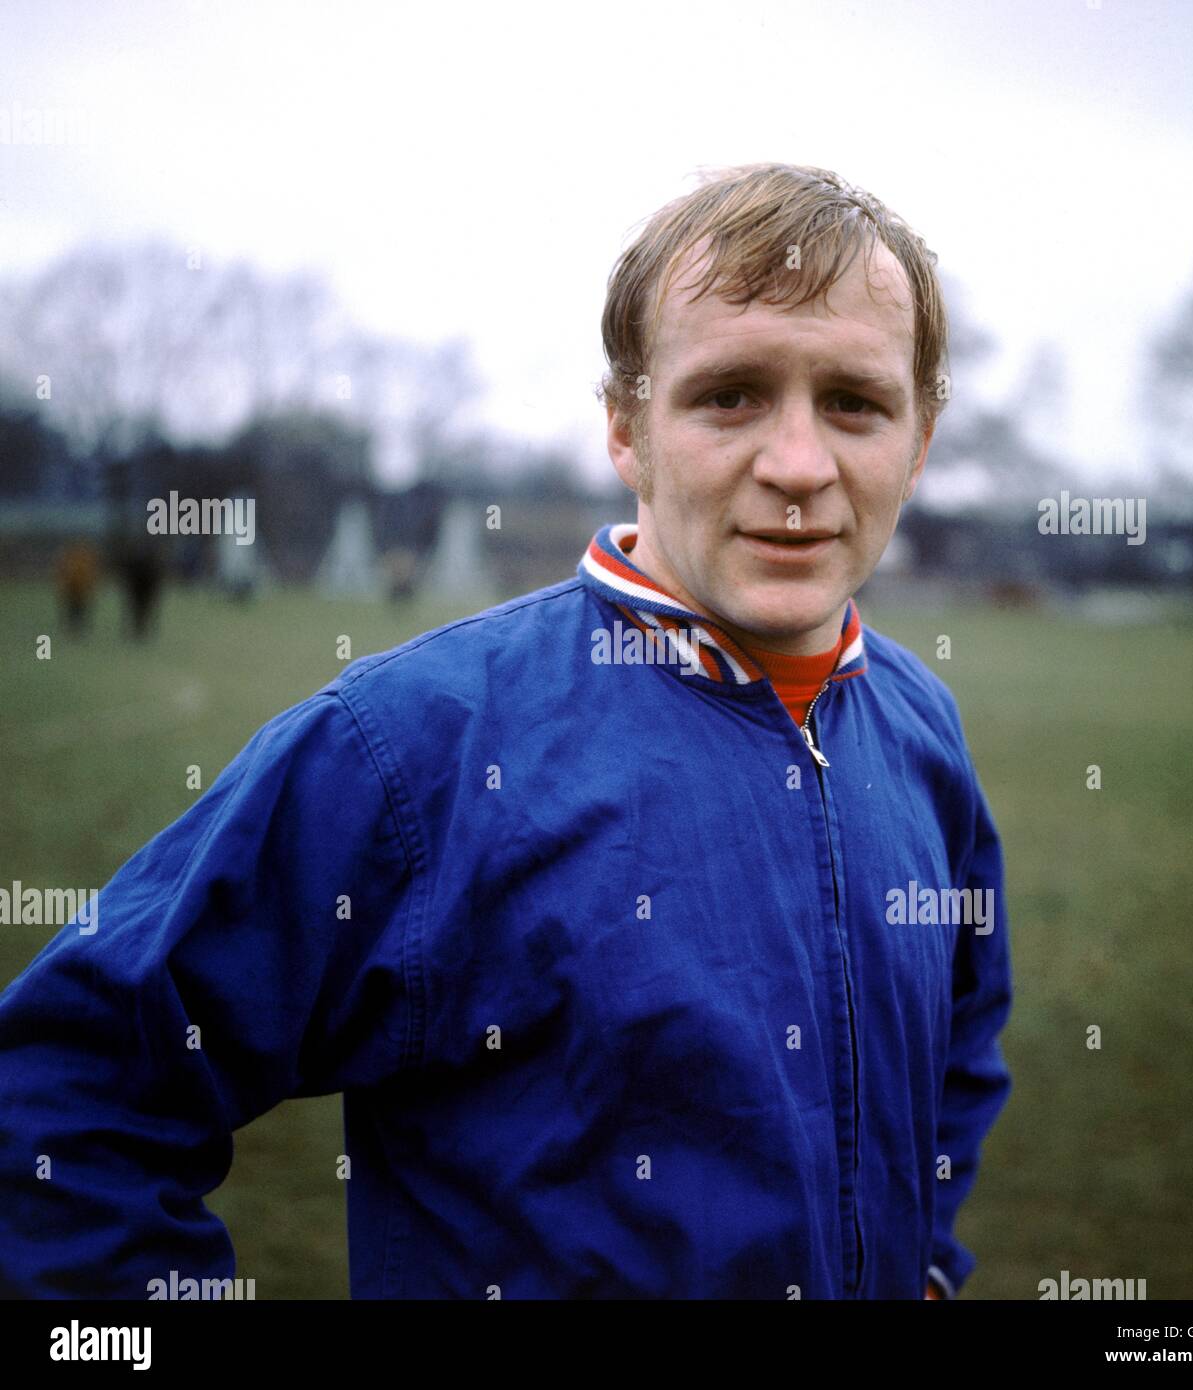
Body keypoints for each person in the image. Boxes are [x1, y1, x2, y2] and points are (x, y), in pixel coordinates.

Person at [0, 163, 1011, 1300]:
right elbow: (64, 1089)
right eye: (729, 394)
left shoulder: (922, 727)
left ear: (920, 442)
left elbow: (962, 1040)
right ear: (628, 429)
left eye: (855, 404)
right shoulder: (413, 744)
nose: (796, 465)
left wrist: (925, 1255)